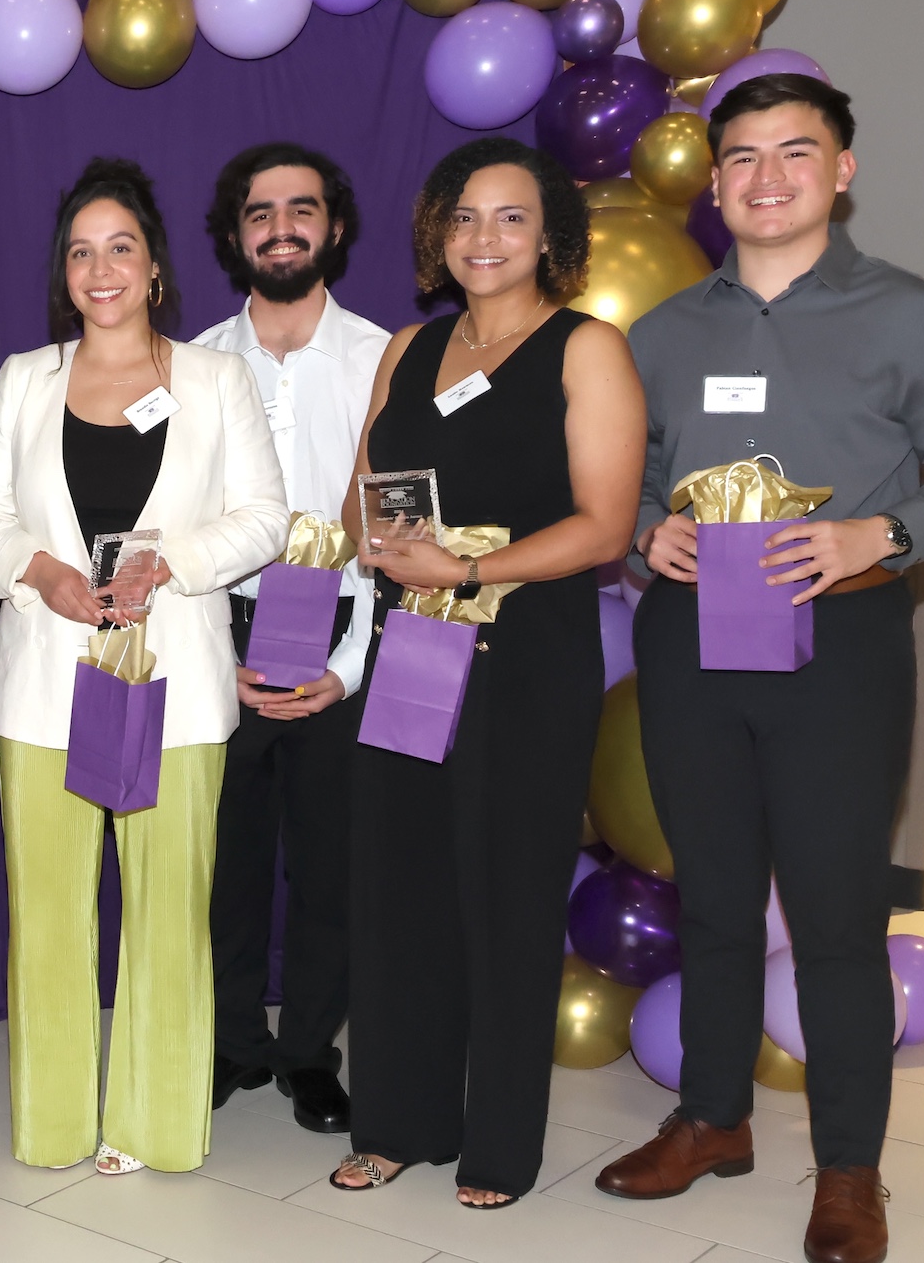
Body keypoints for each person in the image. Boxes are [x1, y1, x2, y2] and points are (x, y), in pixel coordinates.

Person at [597, 75, 924, 1263]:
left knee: (832, 915)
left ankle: (851, 1171)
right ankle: (714, 1117)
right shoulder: (663, 334)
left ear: (843, 168)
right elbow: (625, 481)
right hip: (690, 638)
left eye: (795, 152)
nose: (765, 178)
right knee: (712, 892)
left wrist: (883, 534)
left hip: (841, 641)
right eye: (742, 158)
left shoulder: (916, 316)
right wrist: (640, 534)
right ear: (713, 180)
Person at [331, 137, 643, 1207]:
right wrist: (379, 537)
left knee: (507, 899)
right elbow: (361, 497)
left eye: (510, 217)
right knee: (399, 888)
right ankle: (396, 1121)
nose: (484, 238)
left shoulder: (584, 349)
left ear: (550, 234)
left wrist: (467, 563)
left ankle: (498, 1146)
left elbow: (604, 527)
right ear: (437, 233)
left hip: (525, 658)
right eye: (464, 217)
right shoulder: (409, 350)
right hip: (410, 646)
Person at [0, 157, 287, 1174]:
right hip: (46, 687)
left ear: (153, 269)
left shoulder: (215, 377)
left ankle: (150, 1123)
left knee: (166, 915)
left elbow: (265, 519)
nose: (101, 268)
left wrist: (172, 564)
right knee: (49, 914)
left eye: (121, 248)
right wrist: (41, 571)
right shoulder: (25, 376)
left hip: (178, 687)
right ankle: (53, 1121)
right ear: (66, 274)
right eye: (81, 251)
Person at [195, 143, 388, 1136]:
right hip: (216, 639)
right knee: (223, 865)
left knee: (331, 868)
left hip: (344, 644)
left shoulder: (385, 358)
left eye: (301, 208)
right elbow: (173, 526)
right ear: (237, 235)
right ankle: (234, 1040)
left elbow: (396, 536)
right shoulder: (190, 365)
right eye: (260, 211)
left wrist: (348, 670)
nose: (282, 226)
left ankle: (313, 1049)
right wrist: (211, 657)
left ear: (335, 225)